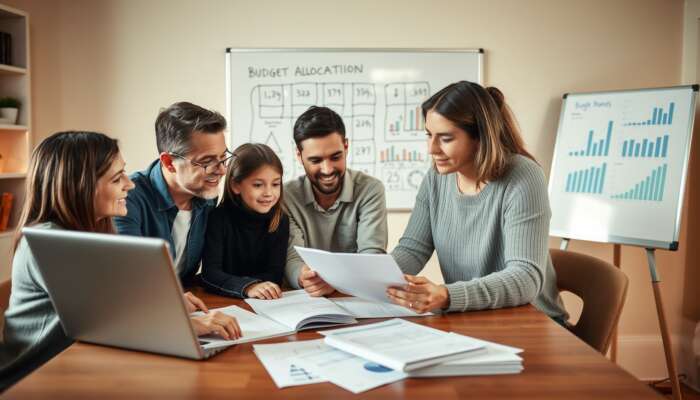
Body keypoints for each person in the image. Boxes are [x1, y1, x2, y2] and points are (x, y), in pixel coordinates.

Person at [1, 131, 240, 390]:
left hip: (83, 364)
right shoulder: (47, 242)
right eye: (117, 178)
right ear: (80, 186)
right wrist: (187, 324)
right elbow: (110, 320)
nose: (130, 184)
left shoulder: (89, 235)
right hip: (35, 378)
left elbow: (116, 300)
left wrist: (164, 302)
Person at [386, 81, 568, 322]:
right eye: (429, 135)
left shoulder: (523, 177)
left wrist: (447, 295)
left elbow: (525, 278)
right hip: (474, 317)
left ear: (480, 137)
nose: (431, 149)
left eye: (446, 138)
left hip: (532, 322)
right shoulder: (436, 178)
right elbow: (412, 250)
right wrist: (354, 280)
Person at [114, 102, 232, 290]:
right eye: (207, 162)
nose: (222, 170)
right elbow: (128, 277)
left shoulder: (206, 194)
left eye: (223, 157)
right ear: (169, 162)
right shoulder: (127, 198)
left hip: (186, 300)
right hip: (146, 306)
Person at [284, 106, 388, 296]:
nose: (327, 169)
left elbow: (372, 256)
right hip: (307, 298)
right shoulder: (286, 196)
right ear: (299, 156)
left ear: (346, 146)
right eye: (315, 160)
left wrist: (336, 281)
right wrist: (304, 277)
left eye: (335, 157)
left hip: (357, 297)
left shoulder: (370, 189)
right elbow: (292, 257)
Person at [202, 143, 289, 299]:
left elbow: (275, 273)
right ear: (236, 185)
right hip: (223, 301)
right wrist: (248, 287)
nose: (269, 193)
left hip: (265, 302)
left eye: (276, 184)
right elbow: (210, 274)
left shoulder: (280, 221)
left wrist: (257, 287)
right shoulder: (218, 218)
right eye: (257, 185)